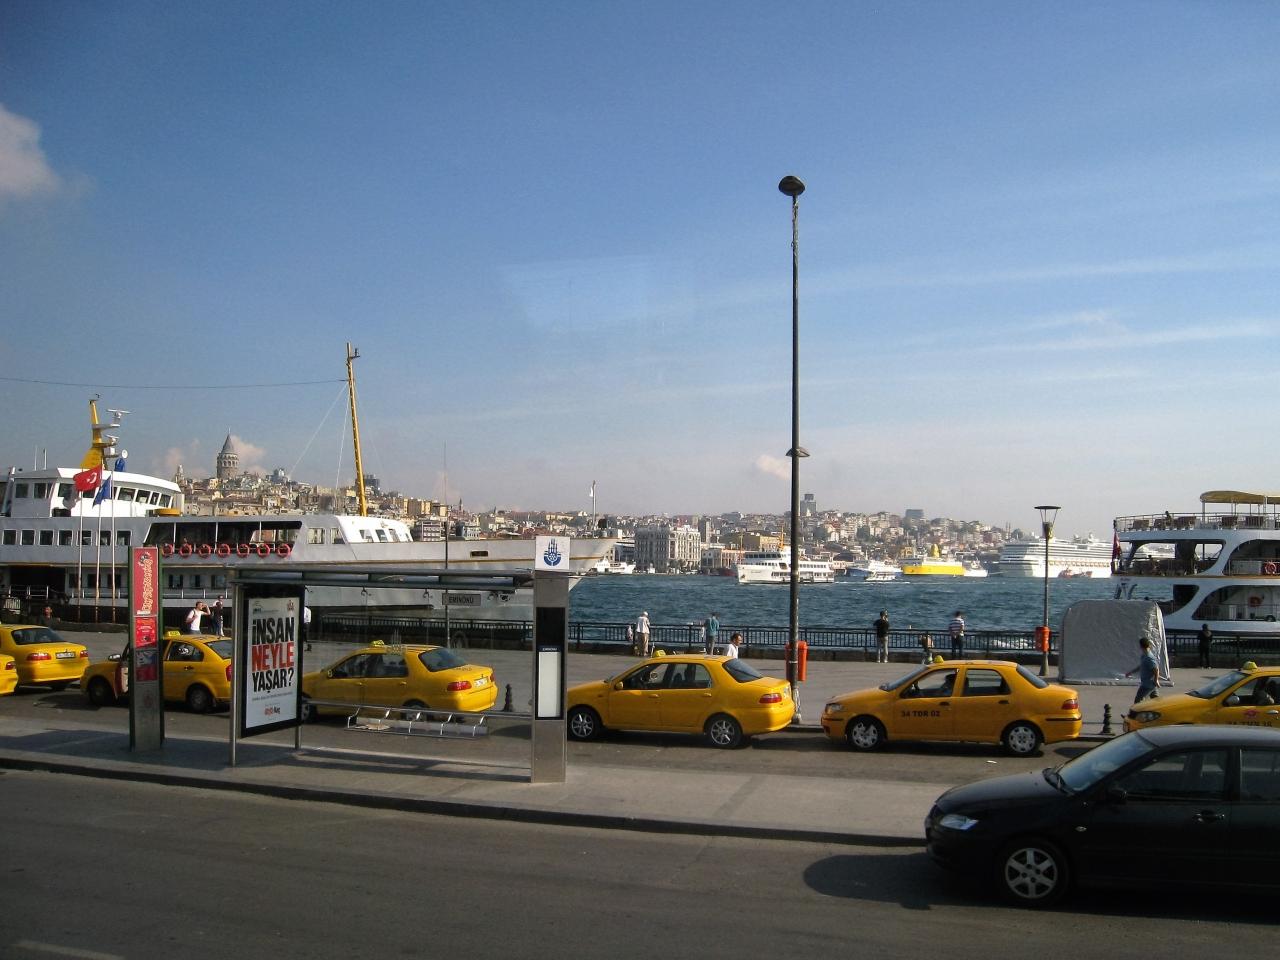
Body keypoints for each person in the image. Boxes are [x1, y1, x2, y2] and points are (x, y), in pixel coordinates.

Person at [1125, 637, 1159, 703]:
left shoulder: (1149, 657)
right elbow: (1141, 666)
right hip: (1150, 684)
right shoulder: (1144, 655)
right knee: (1156, 702)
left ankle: (1135, 712)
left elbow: (1156, 670)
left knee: (1138, 701)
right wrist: (1131, 672)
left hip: (1147, 685)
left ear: (1140, 646)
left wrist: (1155, 680)